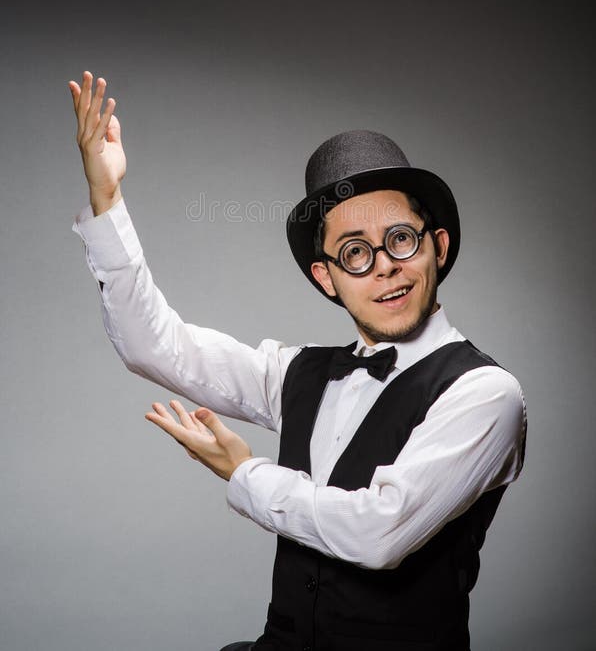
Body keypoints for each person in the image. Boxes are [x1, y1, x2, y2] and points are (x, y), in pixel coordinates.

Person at [68, 71, 526, 651]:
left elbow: (379, 532)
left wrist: (245, 471)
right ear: (326, 277)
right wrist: (106, 200)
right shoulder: (297, 374)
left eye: (401, 240)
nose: (383, 266)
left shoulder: (486, 393)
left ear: (437, 246)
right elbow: (155, 345)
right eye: (354, 252)